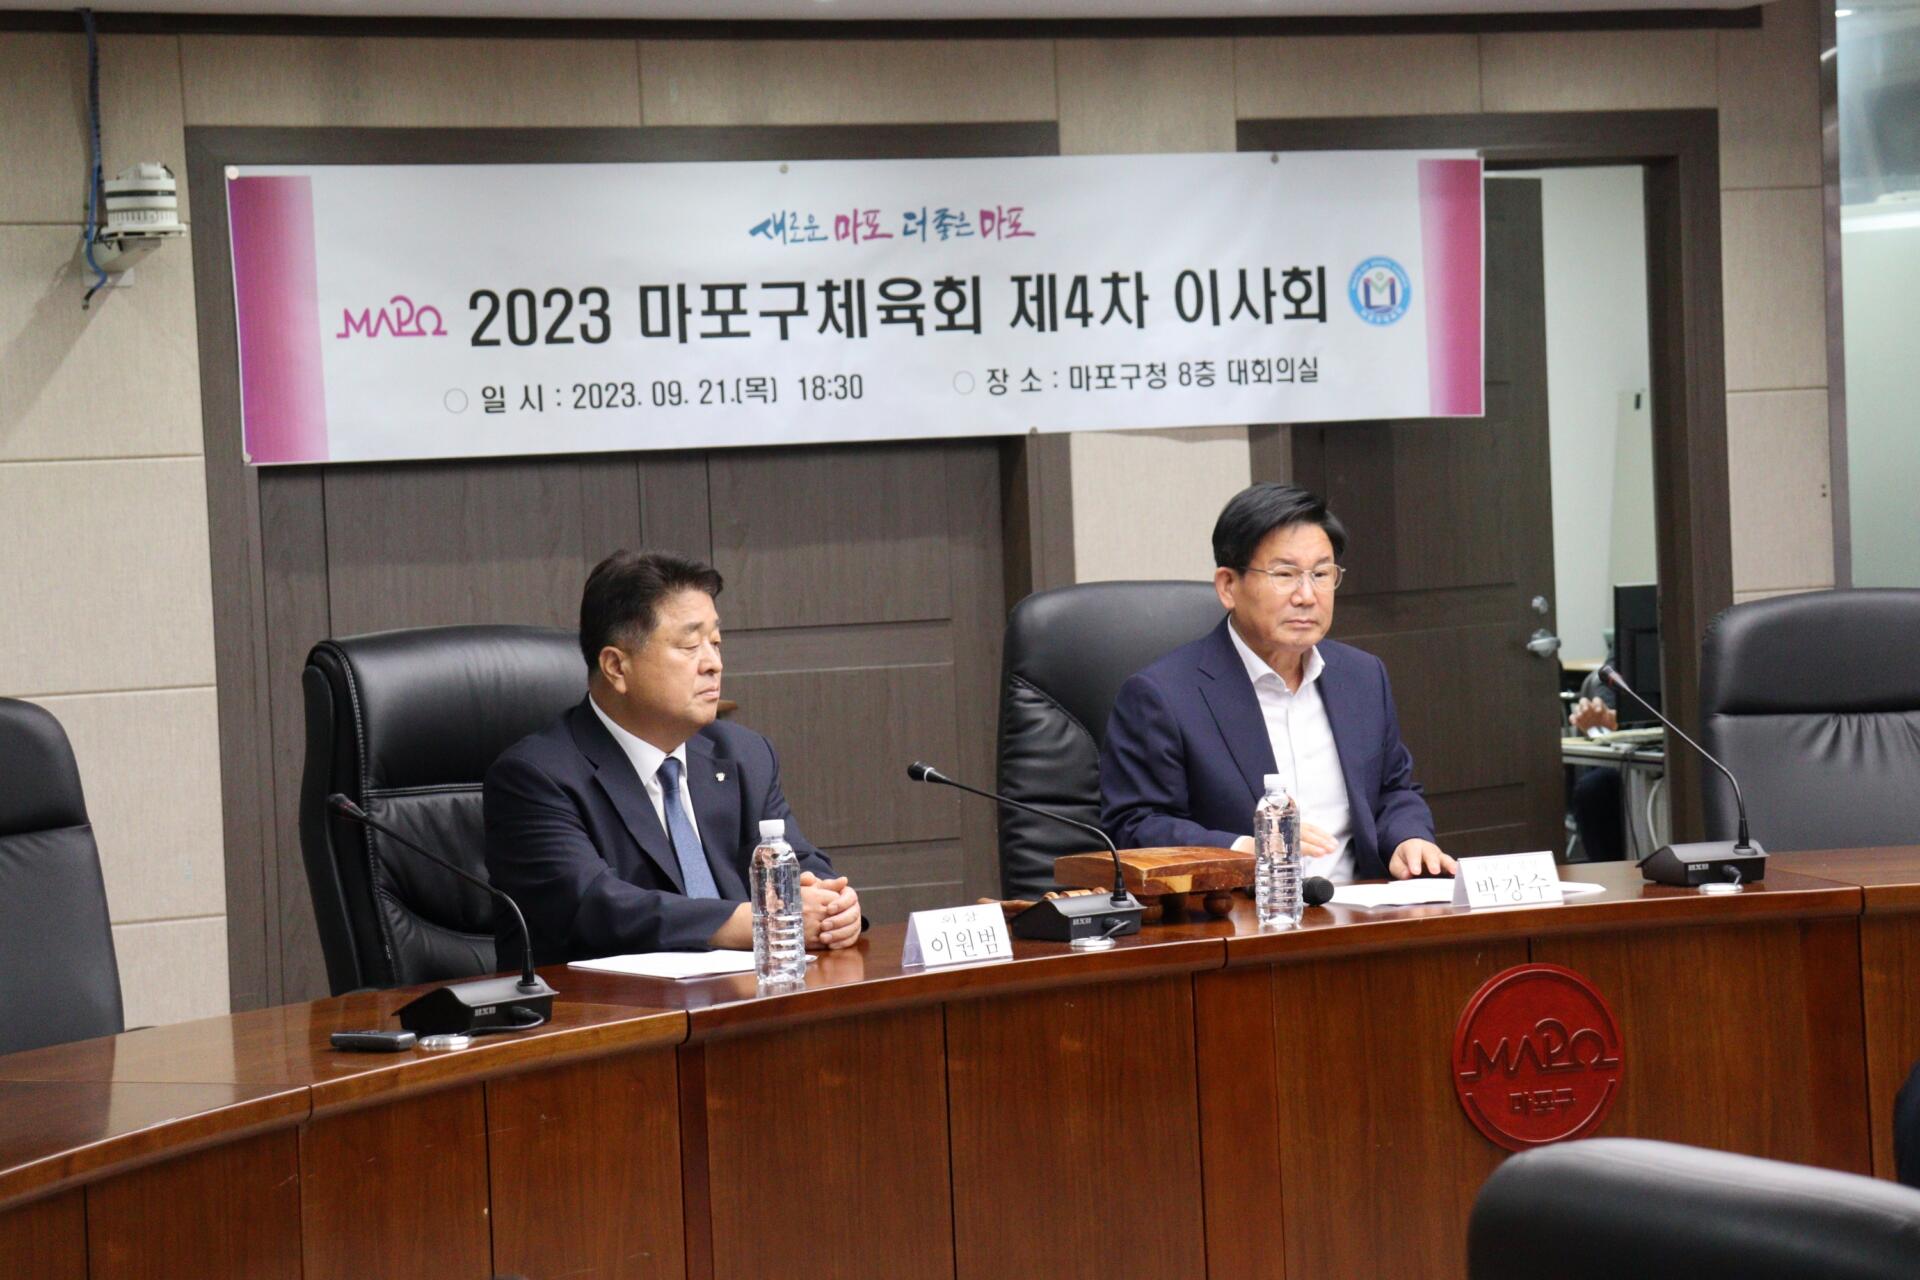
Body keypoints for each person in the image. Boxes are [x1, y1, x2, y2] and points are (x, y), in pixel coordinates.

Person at [485, 550, 861, 965]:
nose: (714, 664)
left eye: (716, 643)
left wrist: (835, 908)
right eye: (690, 645)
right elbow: (594, 906)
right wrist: (757, 922)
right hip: (609, 1000)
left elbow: (799, 862)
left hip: (744, 991)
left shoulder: (743, 755)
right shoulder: (536, 777)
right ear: (616, 667)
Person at [1100, 483, 1454, 882]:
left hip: (1358, 905)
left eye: (1321, 574)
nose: (1307, 596)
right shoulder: (1162, 696)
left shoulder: (1362, 676)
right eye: (1285, 574)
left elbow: (1393, 790)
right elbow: (1135, 827)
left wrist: (1408, 837)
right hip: (1240, 911)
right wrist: (1242, 849)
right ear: (1228, 586)